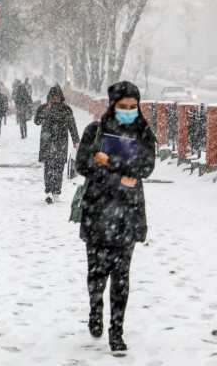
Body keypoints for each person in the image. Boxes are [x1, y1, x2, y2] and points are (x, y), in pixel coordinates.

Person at [75, 81, 156, 356]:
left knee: (121, 276)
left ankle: (117, 331)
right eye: (123, 107)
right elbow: (83, 165)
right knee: (96, 273)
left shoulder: (143, 133)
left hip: (128, 215)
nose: (129, 112)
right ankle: (95, 311)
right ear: (113, 106)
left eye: (134, 107)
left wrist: (109, 162)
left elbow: (145, 168)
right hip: (98, 212)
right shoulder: (94, 131)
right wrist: (119, 176)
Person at [34, 85, 80, 204]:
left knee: (59, 168)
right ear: (49, 98)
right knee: (48, 167)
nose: (55, 100)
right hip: (47, 142)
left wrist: (76, 141)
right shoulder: (44, 108)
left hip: (61, 142)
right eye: (53, 98)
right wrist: (47, 109)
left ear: (61, 98)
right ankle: (49, 191)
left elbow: (72, 126)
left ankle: (57, 192)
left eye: (57, 98)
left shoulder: (66, 109)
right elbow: (37, 121)